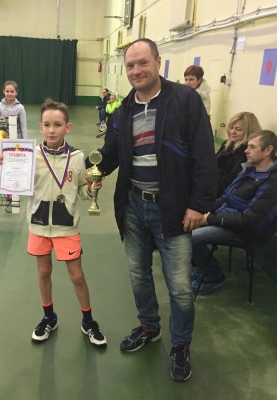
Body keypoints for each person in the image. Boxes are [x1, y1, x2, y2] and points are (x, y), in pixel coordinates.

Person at [86, 39, 217, 381]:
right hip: (133, 205)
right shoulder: (124, 109)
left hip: (173, 209)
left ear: (158, 62)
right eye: (130, 65)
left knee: (180, 287)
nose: (136, 70)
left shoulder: (185, 100)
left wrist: (198, 205)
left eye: (142, 63)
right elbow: (110, 153)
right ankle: (149, 326)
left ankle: (181, 345)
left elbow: (205, 155)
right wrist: (80, 167)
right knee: (138, 274)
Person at [0, 98, 107, 348]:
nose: (52, 129)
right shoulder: (29, 155)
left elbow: (82, 190)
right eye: (47, 125)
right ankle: (49, 317)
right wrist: (3, 168)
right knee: (43, 272)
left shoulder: (78, 157)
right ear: (41, 127)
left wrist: (92, 188)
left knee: (77, 276)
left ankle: (88, 321)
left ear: (68, 127)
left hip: (67, 227)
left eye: (58, 124)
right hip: (38, 226)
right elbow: (15, 184)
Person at [191, 130, 277, 294]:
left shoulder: (273, 182)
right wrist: (200, 210)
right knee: (188, 221)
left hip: (247, 231)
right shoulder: (248, 168)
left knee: (192, 238)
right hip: (229, 218)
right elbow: (226, 196)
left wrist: (210, 219)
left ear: (268, 150)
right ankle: (204, 268)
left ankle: (214, 276)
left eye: (252, 147)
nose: (246, 150)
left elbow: (248, 220)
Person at [0, 80, 28, 203]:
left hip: (16, 143)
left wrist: (25, 144)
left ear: (16, 92)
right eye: (7, 91)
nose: (9, 93)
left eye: (12, 91)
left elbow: (23, 127)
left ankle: (10, 191)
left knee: (13, 167)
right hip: (1, 143)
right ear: (4, 91)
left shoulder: (20, 108)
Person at [216, 112, 261, 196]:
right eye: (231, 127)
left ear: (249, 132)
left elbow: (231, 180)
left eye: (238, 129)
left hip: (222, 191)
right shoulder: (227, 143)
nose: (232, 132)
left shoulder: (245, 151)